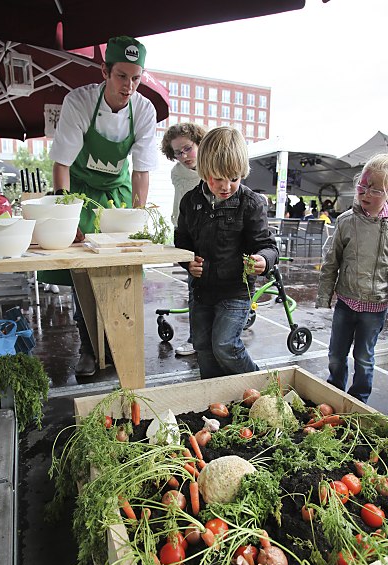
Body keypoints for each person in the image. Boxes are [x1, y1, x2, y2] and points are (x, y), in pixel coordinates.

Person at [46, 35, 157, 376]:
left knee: (119, 269)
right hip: (78, 190)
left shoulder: (144, 111)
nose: (129, 86)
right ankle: (89, 346)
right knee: (83, 270)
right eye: (122, 76)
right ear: (105, 71)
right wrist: (67, 215)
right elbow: (61, 163)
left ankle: (116, 343)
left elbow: (141, 171)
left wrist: (136, 217)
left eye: (136, 78)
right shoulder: (78, 101)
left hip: (116, 192)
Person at [174, 127, 279, 379]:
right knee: (203, 347)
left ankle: (263, 388)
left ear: (242, 172)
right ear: (204, 171)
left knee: (224, 345)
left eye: (233, 178)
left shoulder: (251, 203)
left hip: (235, 291)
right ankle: (215, 399)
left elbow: (268, 245)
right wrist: (188, 263)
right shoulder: (190, 201)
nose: (226, 186)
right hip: (200, 291)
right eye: (217, 178)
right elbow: (181, 242)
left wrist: (264, 259)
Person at [316, 153, 388, 404]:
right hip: (346, 303)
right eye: (362, 186)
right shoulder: (346, 221)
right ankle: (333, 395)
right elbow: (331, 261)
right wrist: (324, 297)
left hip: (375, 306)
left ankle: (358, 403)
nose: (365, 193)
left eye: (374, 190)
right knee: (336, 354)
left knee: (364, 358)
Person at [161, 123, 206, 356]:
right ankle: (195, 339)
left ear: (199, 142)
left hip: (212, 232)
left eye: (188, 148)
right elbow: (179, 204)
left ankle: (213, 336)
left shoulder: (212, 167)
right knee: (195, 287)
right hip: (188, 233)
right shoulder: (176, 172)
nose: (184, 156)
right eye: (177, 152)